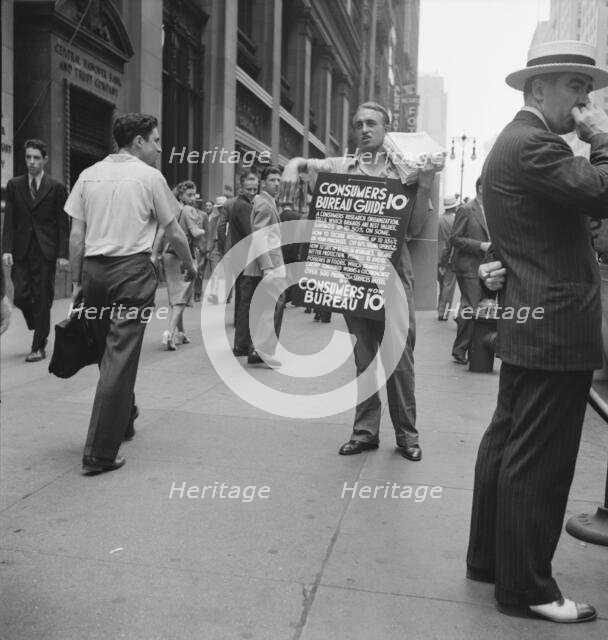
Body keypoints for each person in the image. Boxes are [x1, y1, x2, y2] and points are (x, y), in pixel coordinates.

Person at [466, 40, 608, 623]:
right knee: (541, 461)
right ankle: (528, 589)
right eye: (574, 85)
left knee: (507, 445)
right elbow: (601, 194)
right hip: (554, 326)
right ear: (537, 90)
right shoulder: (534, 144)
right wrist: (602, 137)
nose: (584, 98)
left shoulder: (516, 142)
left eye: (587, 88)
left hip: (532, 319)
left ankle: (490, 560)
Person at [281, 101, 438, 461]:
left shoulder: (406, 173)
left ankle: (407, 436)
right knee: (364, 358)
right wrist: (292, 164)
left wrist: (425, 185)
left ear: (387, 129)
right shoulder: (339, 167)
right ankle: (365, 432)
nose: (364, 129)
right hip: (352, 279)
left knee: (399, 359)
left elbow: (413, 231)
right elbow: (306, 164)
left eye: (371, 123)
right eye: (358, 124)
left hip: (393, 280)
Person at [65, 113, 196, 475]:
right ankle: (99, 454)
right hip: (131, 273)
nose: (159, 147)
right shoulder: (150, 177)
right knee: (120, 356)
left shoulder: (87, 175)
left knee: (111, 351)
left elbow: (76, 237)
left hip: (93, 274)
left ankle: (122, 417)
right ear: (137, 141)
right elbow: (175, 233)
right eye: (154, 140)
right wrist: (191, 266)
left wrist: (77, 282)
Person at [2, 139, 69, 361]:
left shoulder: (57, 187)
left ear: (45, 160)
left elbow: (62, 224)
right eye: (28, 157)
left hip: (45, 251)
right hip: (21, 249)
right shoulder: (14, 185)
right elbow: (9, 219)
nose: (31, 162)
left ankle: (38, 346)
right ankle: (35, 320)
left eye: (36, 158)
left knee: (41, 298)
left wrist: (62, 255)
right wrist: (7, 249)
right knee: (21, 295)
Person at [238, 166, 286, 368]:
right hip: (269, 264)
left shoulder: (264, 201)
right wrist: (267, 267)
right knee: (274, 305)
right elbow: (260, 237)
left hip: (264, 263)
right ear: (263, 182)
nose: (277, 183)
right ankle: (262, 350)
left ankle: (252, 348)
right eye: (272, 179)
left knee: (261, 306)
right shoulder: (265, 204)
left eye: (278, 179)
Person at [152, 180, 204, 350]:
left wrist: (155, 255)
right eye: (188, 195)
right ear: (180, 195)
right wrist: (204, 231)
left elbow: (160, 234)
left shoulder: (169, 210)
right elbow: (196, 233)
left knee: (176, 295)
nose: (192, 198)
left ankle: (180, 333)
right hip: (184, 257)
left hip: (168, 256)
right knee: (181, 298)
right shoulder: (188, 210)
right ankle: (170, 332)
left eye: (193, 194)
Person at [449, 177, 490, 363]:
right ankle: (460, 349)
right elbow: (455, 239)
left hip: (486, 267)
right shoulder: (466, 209)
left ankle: (468, 347)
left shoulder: (490, 211)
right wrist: (480, 245)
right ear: (481, 188)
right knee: (472, 308)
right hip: (468, 268)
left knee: (475, 308)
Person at [217, 171, 259, 354]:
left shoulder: (241, 203)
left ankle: (241, 342)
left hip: (239, 255)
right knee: (246, 301)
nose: (252, 191)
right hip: (245, 257)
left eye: (254, 188)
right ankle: (241, 344)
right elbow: (252, 233)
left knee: (244, 299)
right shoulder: (243, 206)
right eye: (249, 188)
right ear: (241, 187)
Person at [437, 196, 458, 320]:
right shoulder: (455, 220)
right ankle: (443, 312)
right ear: (454, 207)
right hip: (450, 257)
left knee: (441, 285)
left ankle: (439, 309)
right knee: (448, 287)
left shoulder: (438, 219)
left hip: (437, 256)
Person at [205, 196, 227, 304]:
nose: (221, 209)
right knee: (215, 272)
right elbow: (210, 235)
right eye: (219, 207)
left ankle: (228, 295)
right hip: (216, 245)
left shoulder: (231, 219)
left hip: (228, 246)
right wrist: (208, 250)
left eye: (222, 207)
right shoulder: (213, 219)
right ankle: (214, 294)